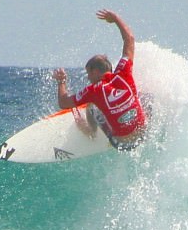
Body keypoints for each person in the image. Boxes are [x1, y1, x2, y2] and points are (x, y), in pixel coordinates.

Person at [52, 9, 146, 150]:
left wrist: (61, 81)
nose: (88, 78)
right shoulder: (124, 72)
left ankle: (91, 132)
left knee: (91, 106)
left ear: (95, 72)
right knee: (145, 97)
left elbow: (64, 103)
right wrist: (115, 18)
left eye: (88, 74)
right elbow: (130, 39)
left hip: (122, 144)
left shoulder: (94, 91)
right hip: (143, 134)